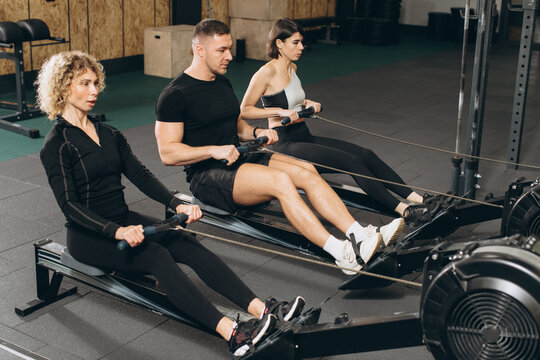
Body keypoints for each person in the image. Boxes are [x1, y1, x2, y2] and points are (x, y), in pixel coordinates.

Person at [37, 51, 305, 357]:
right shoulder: (57, 145)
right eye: (84, 84)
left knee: (185, 243)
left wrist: (175, 202)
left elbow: (139, 174)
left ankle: (262, 310)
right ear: (62, 88)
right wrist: (116, 232)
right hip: (89, 237)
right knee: (157, 257)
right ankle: (232, 332)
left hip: (122, 218)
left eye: (96, 82)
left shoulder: (107, 133)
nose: (95, 90)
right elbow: (69, 205)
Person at [154, 19, 405, 277]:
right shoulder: (174, 95)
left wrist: (257, 131)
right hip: (207, 175)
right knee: (282, 182)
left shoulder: (222, 83)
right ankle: (342, 253)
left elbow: (237, 126)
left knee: (306, 170)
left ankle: (358, 233)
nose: (229, 56)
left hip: (240, 156)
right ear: (200, 50)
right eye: (222, 50)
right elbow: (168, 153)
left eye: (229, 48)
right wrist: (212, 150)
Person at [240, 18, 441, 227]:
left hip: (303, 135)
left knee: (365, 154)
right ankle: (406, 211)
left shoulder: (293, 68)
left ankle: (419, 199)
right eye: (295, 42)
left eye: (301, 42)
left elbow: (293, 101)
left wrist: (307, 102)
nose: (301, 47)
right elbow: (245, 110)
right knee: (351, 162)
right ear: (279, 44)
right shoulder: (265, 72)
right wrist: (279, 111)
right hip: (285, 143)